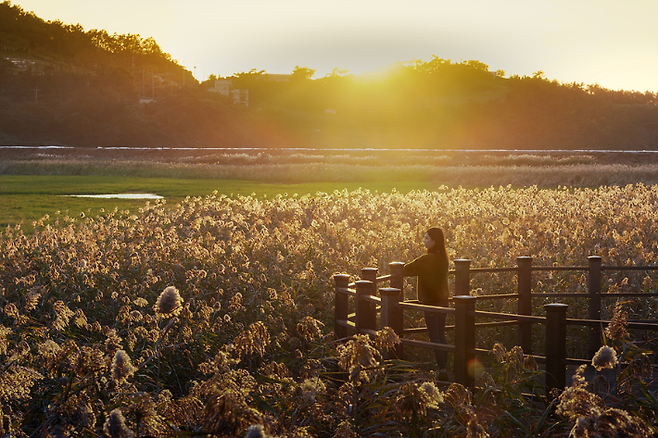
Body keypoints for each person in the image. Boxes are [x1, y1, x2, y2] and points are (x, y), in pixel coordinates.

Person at [403, 227, 450, 380]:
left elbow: (404, 269)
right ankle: (445, 367)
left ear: (434, 241)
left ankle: (442, 370)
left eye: (426, 238)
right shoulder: (444, 258)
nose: (424, 241)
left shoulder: (426, 260)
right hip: (443, 301)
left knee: (434, 336)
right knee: (441, 334)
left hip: (430, 302)